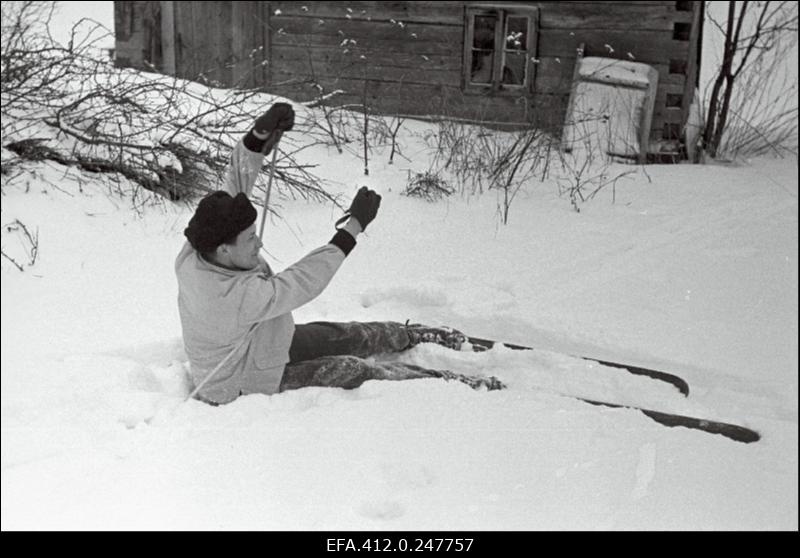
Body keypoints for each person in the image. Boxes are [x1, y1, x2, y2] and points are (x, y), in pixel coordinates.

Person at [176, 103, 505, 405]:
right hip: (239, 382)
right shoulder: (233, 297)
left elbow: (235, 187)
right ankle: (445, 382)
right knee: (353, 369)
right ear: (223, 249)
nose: (259, 245)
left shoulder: (199, 246)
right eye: (250, 240)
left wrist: (258, 137)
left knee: (341, 334)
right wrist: (352, 228)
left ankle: (409, 335)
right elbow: (302, 281)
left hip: (258, 339)